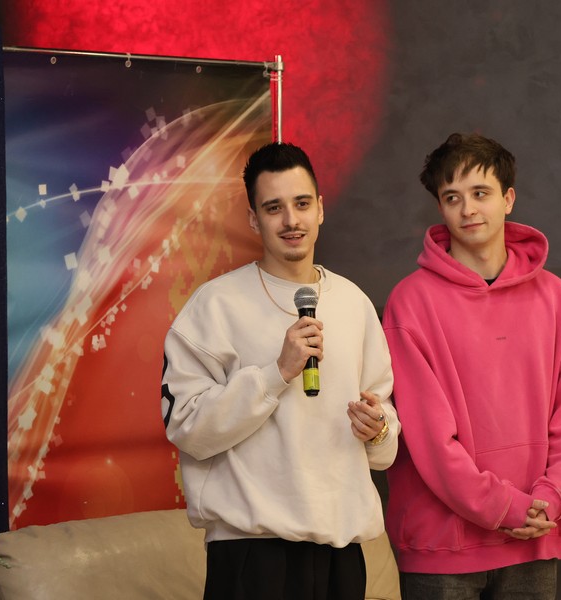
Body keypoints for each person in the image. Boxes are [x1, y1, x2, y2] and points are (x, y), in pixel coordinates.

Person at [161, 142, 399, 600]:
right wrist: (276, 373)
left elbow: (384, 446)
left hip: (341, 551)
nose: (291, 220)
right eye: (274, 208)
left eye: (302, 204)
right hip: (251, 553)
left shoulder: (354, 303)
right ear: (254, 219)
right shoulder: (215, 305)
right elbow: (186, 427)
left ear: (320, 209)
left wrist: (378, 430)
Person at [382, 133, 561, 599]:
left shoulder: (557, 300)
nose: (468, 210)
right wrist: (505, 507)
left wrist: (550, 498)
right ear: (440, 208)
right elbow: (429, 439)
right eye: (452, 198)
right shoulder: (410, 304)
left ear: (508, 199)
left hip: (535, 533)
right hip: (442, 545)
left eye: (480, 193)